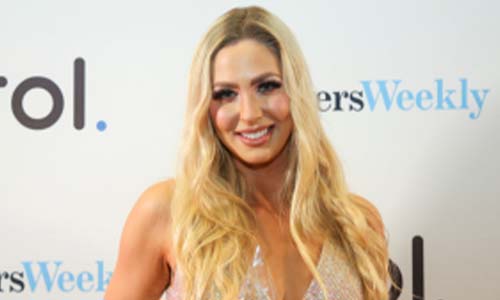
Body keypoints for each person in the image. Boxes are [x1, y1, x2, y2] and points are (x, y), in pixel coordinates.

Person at [104, 6, 390, 300]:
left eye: (267, 87)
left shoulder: (357, 224)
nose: (250, 114)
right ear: (205, 106)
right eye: (226, 94)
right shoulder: (167, 212)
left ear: (297, 92)